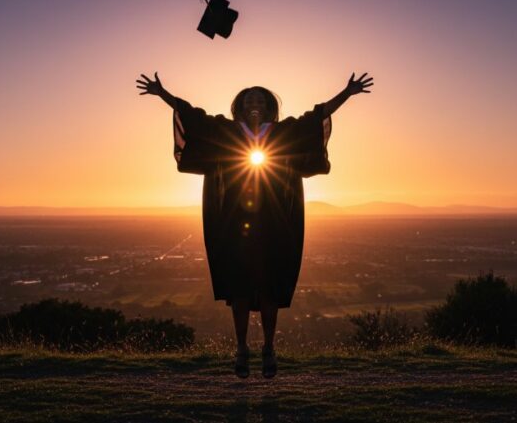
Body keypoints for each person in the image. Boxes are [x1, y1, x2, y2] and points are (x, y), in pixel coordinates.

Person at [137, 72, 373, 378]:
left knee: (270, 287)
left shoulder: (283, 132)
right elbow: (193, 117)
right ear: (240, 106)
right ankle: (241, 349)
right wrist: (162, 93)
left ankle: (269, 347)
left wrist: (347, 92)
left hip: (274, 222)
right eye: (249, 99)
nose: (255, 103)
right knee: (240, 289)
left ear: (270, 106)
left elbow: (317, 116)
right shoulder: (226, 131)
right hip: (235, 223)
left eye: (260, 99)